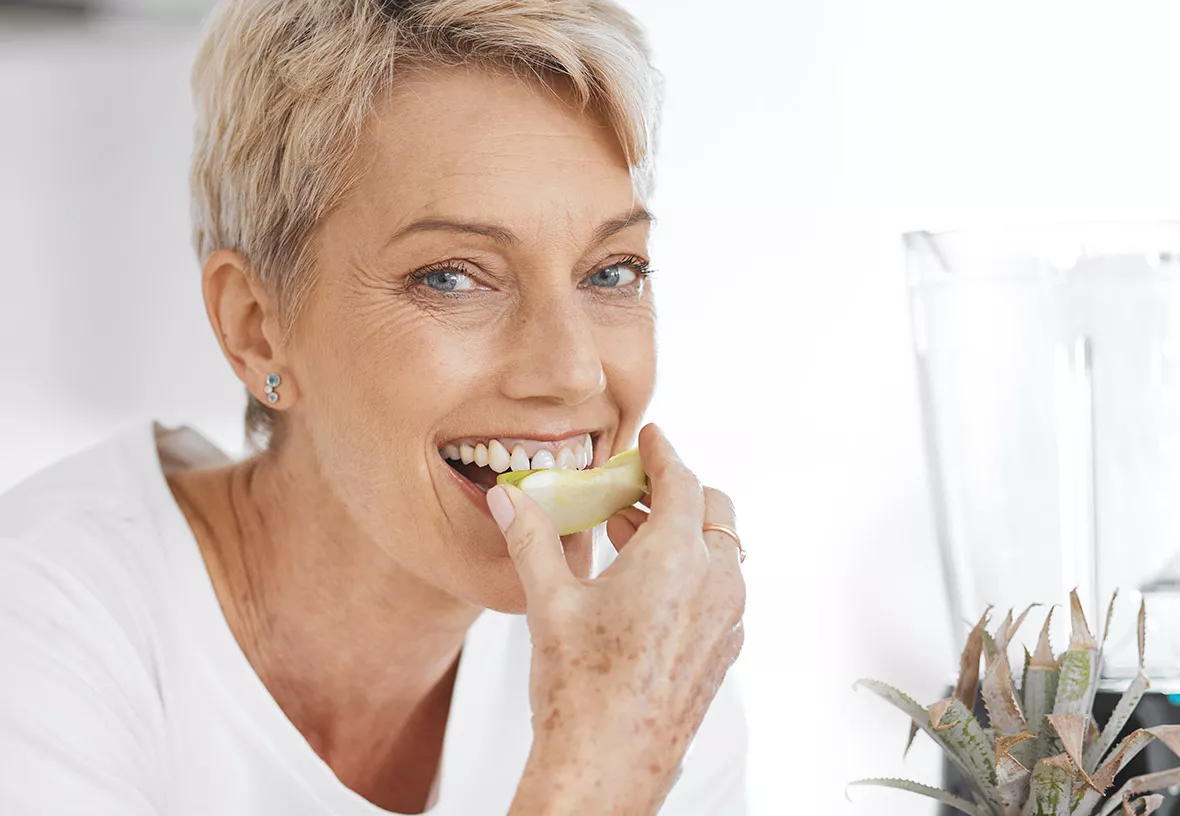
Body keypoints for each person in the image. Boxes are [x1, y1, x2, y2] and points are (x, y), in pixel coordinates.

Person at [0, 0, 748, 813]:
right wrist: (599, 770)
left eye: (612, 271)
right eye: (452, 276)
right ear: (257, 329)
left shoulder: (650, 660)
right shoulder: (41, 630)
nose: (570, 373)